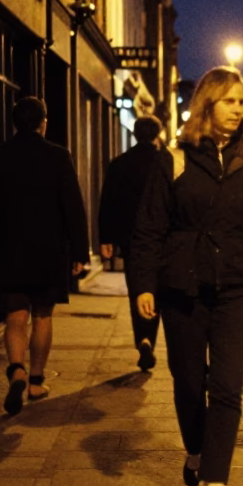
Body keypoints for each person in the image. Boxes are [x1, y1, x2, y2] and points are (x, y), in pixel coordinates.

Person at [128, 66, 243, 486]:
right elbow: (149, 228)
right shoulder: (174, 158)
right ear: (207, 103)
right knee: (189, 382)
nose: (238, 110)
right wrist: (143, 285)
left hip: (236, 284)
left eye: (242, 102)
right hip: (183, 285)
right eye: (230, 101)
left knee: (227, 385)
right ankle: (196, 453)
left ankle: (214, 482)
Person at [0, 96, 90, 416]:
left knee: (15, 316)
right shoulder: (58, 156)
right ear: (43, 122)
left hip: (8, 251)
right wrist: (80, 250)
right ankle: (36, 381)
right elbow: (73, 207)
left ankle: (16, 370)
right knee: (42, 316)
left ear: (14, 123)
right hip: (49, 251)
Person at [98, 115, 173, 371]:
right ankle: (150, 337)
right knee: (159, 287)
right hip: (163, 236)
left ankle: (143, 337)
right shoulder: (165, 161)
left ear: (134, 132)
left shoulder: (120, 163)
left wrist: (106, 238)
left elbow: (107, 201)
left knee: (138, 287)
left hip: (131, 238)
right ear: (158, 132)